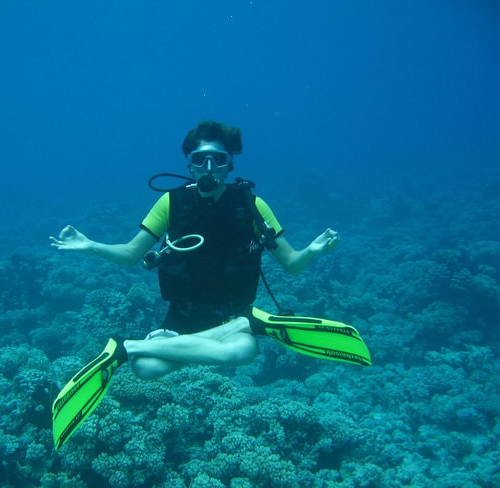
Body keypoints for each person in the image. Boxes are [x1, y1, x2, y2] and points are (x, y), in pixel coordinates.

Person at [49, 121, 367, 450]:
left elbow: (292, 264)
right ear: (189, 164)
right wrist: (91, 245)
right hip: (187, 315)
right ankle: (152, 345)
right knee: (145, 368)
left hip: (231, 314)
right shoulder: (171, 203)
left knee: (244, 352)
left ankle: (127, 347)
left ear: (231, 164)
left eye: (218, 159)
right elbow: (132, 254)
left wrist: (312, 251)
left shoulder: (253, 206)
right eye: (200, 160)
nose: (209, 168)